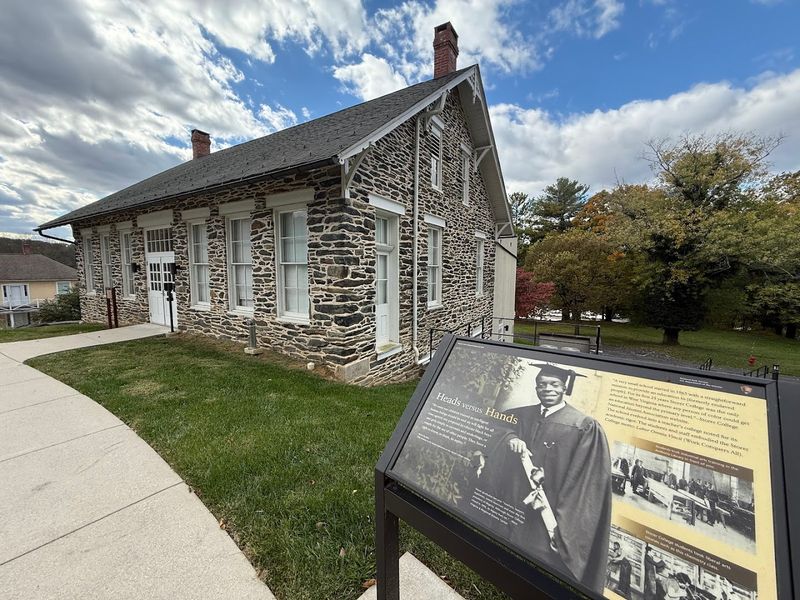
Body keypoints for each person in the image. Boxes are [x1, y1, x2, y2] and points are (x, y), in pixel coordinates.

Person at [479, 364, 612, 594]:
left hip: (545, 513)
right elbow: (496, 426)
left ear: (564, 388)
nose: (547, 389)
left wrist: (562, 523)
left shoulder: (583, 426)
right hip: (513, 503)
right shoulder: (522, 414)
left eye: (554, 384)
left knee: (540, 571)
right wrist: (510, 436)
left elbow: (585, 480)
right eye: (542, 384)